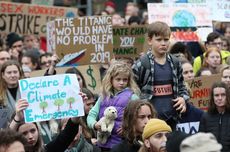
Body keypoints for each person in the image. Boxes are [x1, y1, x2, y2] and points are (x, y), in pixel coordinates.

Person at [132, 21, 189, 129]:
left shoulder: (175, 62)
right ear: (149, 41)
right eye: (159, 40)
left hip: (172, 118)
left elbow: (182, 86)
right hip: (149, 120)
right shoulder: (142, 63)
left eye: (166, 40)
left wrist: (182, 98)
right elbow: (133, 90)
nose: (163, 43)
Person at [87, 61, 140, 151]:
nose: (122, 82)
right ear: (111, 79)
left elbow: (139, 118)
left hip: (123, 144)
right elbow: (91, 115)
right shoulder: (103, 97)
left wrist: (129, 128)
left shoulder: (133, 97)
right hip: (103, 143)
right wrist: (95, 124)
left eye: (125, 79)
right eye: (118, 79)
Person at [199, 82, 230, 152]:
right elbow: (201, 141)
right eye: (216, 95)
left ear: (227, 96)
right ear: (212, 98)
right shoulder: (205, 117)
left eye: (223, 95)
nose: (220, 98)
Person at [0, 60, 24, 128]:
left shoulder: (28, 90)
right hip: (9, 131)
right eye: (9, 73)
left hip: (28, 128)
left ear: (19, 73)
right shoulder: (0, 95)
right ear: (3, 75)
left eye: (15, 72)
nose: (12, 75)